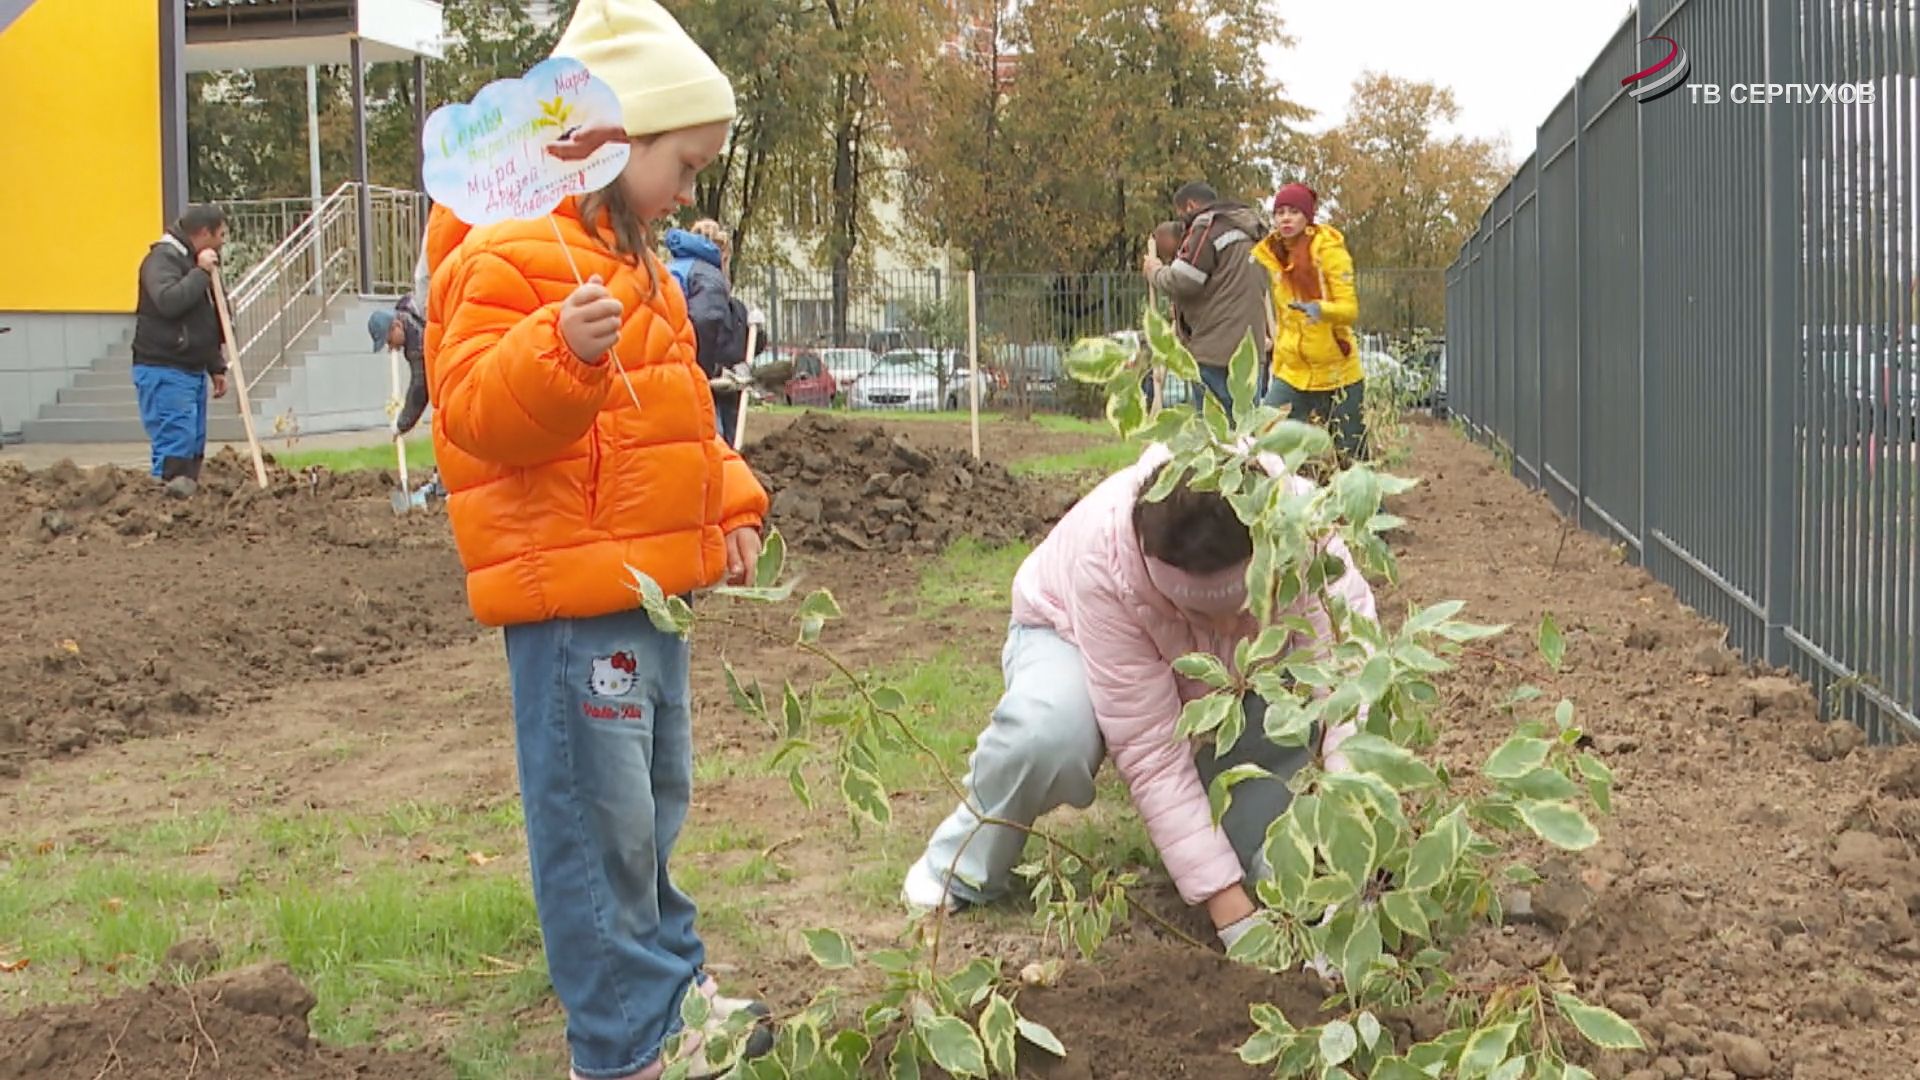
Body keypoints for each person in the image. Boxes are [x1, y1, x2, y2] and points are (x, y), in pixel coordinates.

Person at [420, 3, 773, 1078]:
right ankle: (623, 1046)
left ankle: (669, 988)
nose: (691, 191)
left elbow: (678, 409)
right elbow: (474, 411)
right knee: (597, 824)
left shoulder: (640, 260)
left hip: (648, 591)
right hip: (573, 602)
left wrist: (730, 504)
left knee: (651, 809)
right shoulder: (507, 253)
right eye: (684, 164)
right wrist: (559, 351)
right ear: (617, 141)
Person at [900, 443, 1376, 949]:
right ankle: (961, 865)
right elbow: (1152, 754)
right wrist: (1232, 917)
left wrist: (1348, 847)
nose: (1226, 627)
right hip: (1068, 633)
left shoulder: (1305, 532)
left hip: (1230, 670)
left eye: (1245, 606)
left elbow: (1348, 690)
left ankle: (1279, 853)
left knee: (1294, 736)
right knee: (1046, 738)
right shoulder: (1104, 563)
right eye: (1200, 614)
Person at [1255, 183, 1368, 463]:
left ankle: (1365, 493)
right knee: (1267, 438)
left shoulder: (1329, 252)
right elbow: (1284, 319)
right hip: (1292, 373)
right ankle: (1281, 489)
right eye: (1280, 212)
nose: (1285, 218)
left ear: (1307, 217)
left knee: (1350, 454)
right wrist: (1278, 361)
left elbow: (1349, 310)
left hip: (1337, 373)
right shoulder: (1275, 256)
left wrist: (1321, 310)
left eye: (1293, 212)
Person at [1142, 182, 1273, 414]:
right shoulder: (1253, 230)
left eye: (1181, 214)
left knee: (1214, 428)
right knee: (1244, 426)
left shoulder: (1208, 226)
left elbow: (1183, 280)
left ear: (1190, 205)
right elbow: (1224, 286)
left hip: (1216, 350)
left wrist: (1155, 271)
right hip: (1250, 352)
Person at [131, 203, 230, 495]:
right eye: (221, 235)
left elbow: (203, 319)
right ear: (204, 233)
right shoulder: (162, 260)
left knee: (192, 443)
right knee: (176, 444)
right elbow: (169, 301)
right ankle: (165, 505)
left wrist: (215, 365)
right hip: (165, 368)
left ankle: (187, 505)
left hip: (190, 368)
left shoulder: (192, 263)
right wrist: (200, 273)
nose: (223, 242)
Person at [665, 219, 761, 446]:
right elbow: (704, 321)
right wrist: (711, 371)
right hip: (700, 387)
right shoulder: (707, 276)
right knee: (711, 444)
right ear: (723, 256)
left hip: (672, 377)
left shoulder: (671, 271)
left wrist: (757, 335)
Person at [368, 293, 429, 435]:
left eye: (389, 341)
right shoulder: (414, 314)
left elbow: (420, 388)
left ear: (396, 325)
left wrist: (402, 424)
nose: (391, 348)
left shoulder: (415, 339)